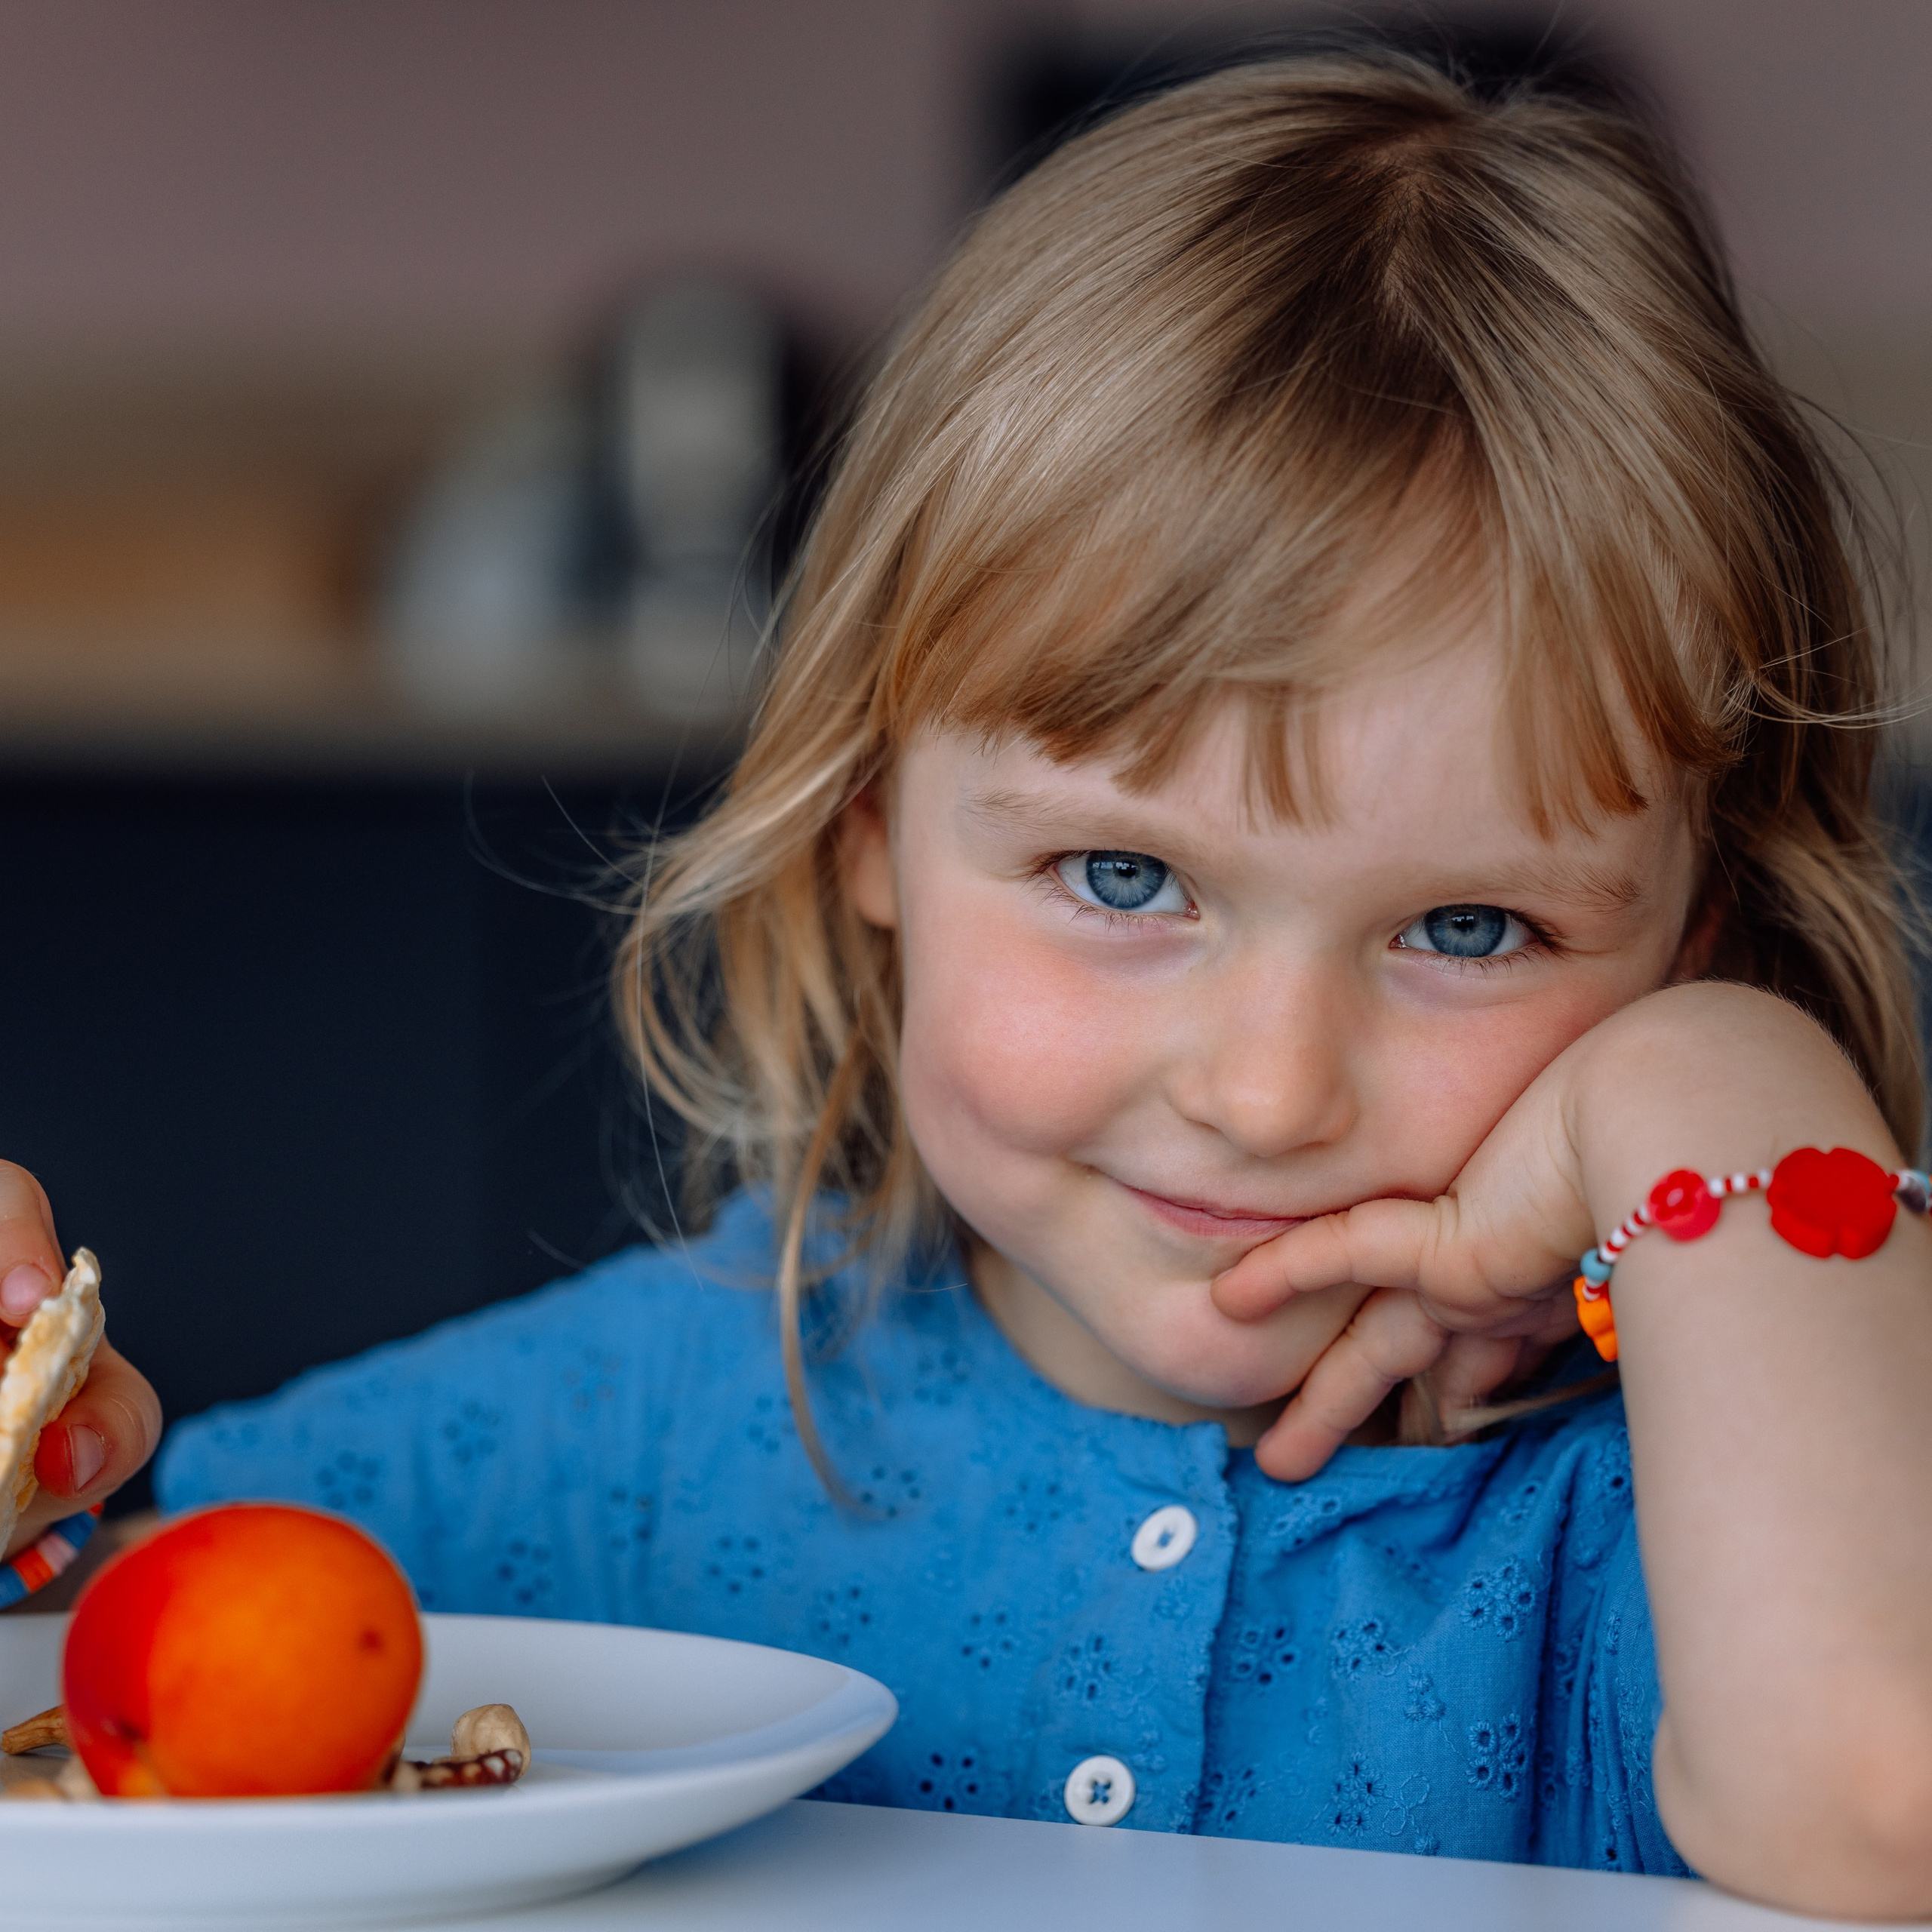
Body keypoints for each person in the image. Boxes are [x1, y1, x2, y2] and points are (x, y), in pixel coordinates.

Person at [4, 51, 1930, 1915]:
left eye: (1469, 929)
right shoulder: (616, 1438)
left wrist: (1714, 1082)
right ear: (865, 823)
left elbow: (1879, 1798)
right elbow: (76, 1710)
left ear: (1691, 926)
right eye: (1124, 877)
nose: (1268, 1092)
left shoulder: (1696, 1509)